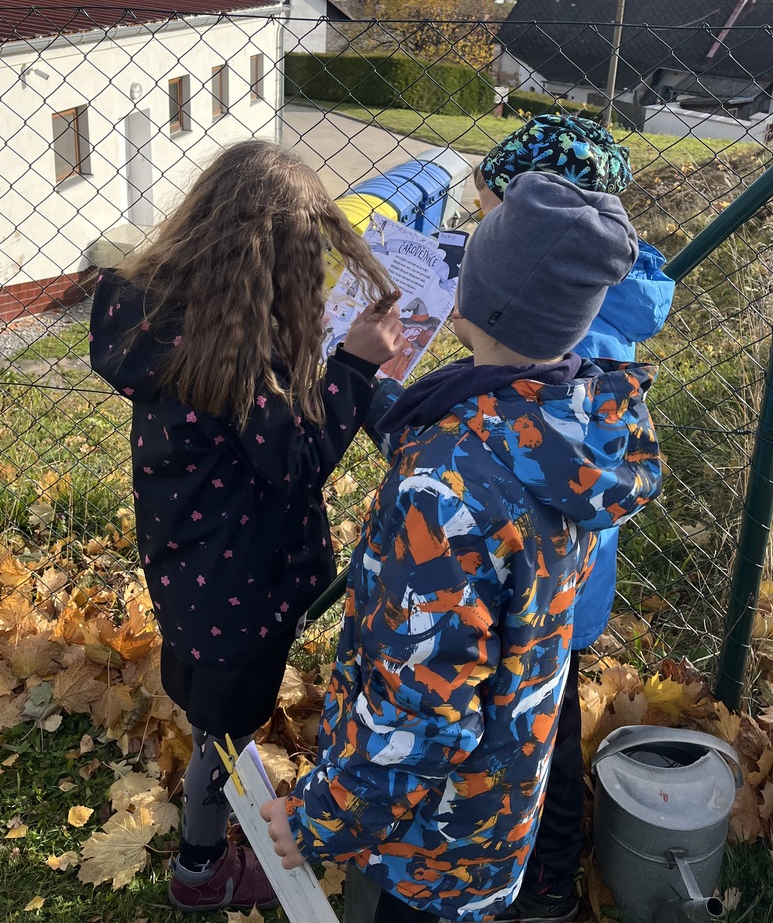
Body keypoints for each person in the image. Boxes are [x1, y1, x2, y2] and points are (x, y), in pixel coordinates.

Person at [262, 171, 663, 923]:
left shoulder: (444, 490)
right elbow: (481, 457)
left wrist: (319, 819)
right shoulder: (573, 427)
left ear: (479, 297)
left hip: (423, 836)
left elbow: (424, 713)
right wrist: (368, 382)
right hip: (497, 805)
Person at [89, 138, 405, 914]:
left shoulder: (167, 320)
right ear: (274, 265)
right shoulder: (236, 366)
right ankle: (201, 869)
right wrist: (355, 369)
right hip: (239, 588)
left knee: (209, 700)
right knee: (226, 730)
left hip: (188, 565)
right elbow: (296, 461)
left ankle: (209, 777)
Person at [474, 112, 675, 922]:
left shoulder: (580, 340)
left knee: (544, 733)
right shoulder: (598, 305)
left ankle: (548, 879)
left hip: (540, 586)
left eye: (491, 212)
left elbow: (530, 450)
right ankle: (542, 863)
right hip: (569, 581)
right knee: (546, 718)